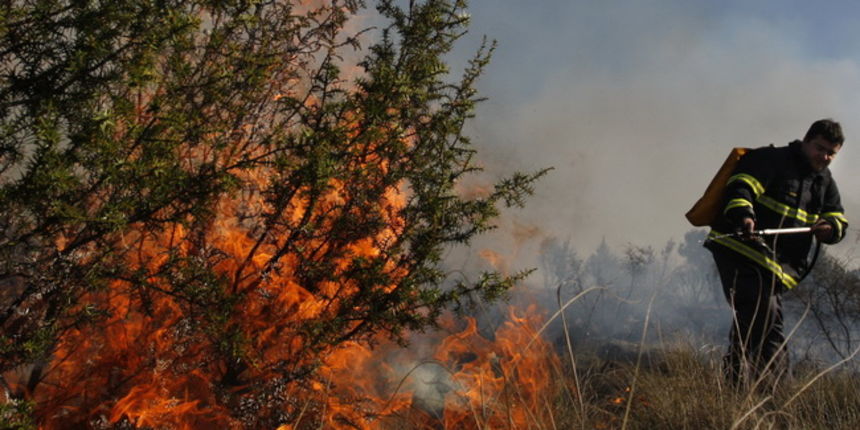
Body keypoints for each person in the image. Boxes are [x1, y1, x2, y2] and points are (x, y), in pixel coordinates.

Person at [704, 118, 848, 387]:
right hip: (740, 252)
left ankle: (755, 391)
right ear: (806, 141)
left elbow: (838, 218)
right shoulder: (771, 160)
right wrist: (744, 216)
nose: (825, 157)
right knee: (764, 317)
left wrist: (830, 228)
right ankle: (759, 389)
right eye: (820, 148)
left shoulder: (824, 182)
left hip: (774, 268)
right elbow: (740, 188)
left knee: (762, 324)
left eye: (831, 153)